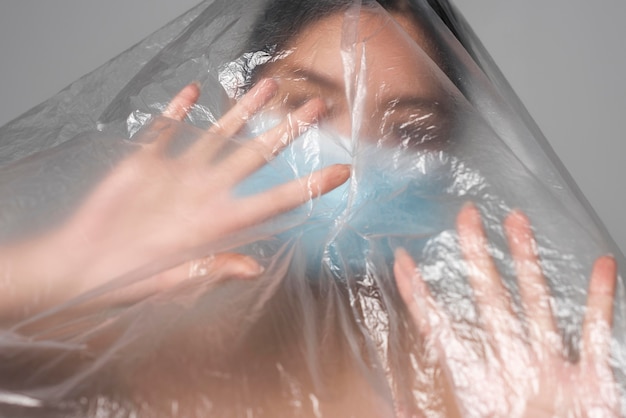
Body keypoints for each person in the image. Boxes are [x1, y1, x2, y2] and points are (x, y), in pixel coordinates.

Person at [0, 0, 619, 417]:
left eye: (407, 130)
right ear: (236, 112)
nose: (348, 160)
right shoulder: (95, 338)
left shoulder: (494, 378)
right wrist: (44, 274)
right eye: (307, 107)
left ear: (455, 159)